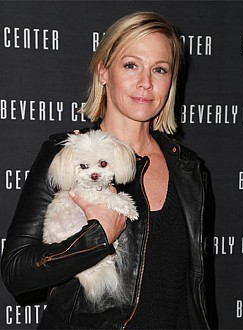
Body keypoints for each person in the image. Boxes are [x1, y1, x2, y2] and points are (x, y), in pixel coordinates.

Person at [1, 11, 210, 329]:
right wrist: (97, 236)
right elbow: (17, 271)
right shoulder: (67, 155)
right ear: (103, 71)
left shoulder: (189, 169)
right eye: (131, 65)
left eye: (160, 69)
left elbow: (192, 290)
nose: (146, 82)